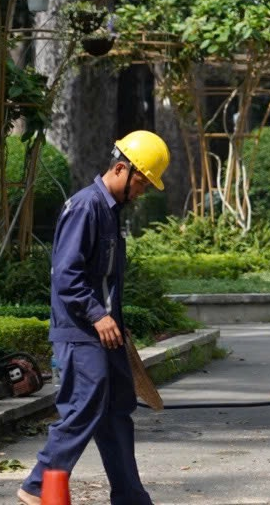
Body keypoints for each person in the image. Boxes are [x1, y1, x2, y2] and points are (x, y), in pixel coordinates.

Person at [19, 132, 170, 505]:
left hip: (105, 332)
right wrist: (98, 315)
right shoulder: (86, 207)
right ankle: (39, 485)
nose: (143, 191)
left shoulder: (111, 213)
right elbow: (66, 275)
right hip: (80, 330)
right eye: (142, 181)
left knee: (118, 410)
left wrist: (114, 319)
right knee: (84, 405)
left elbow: (102, 279)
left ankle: (131, 498)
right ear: (121, 168)